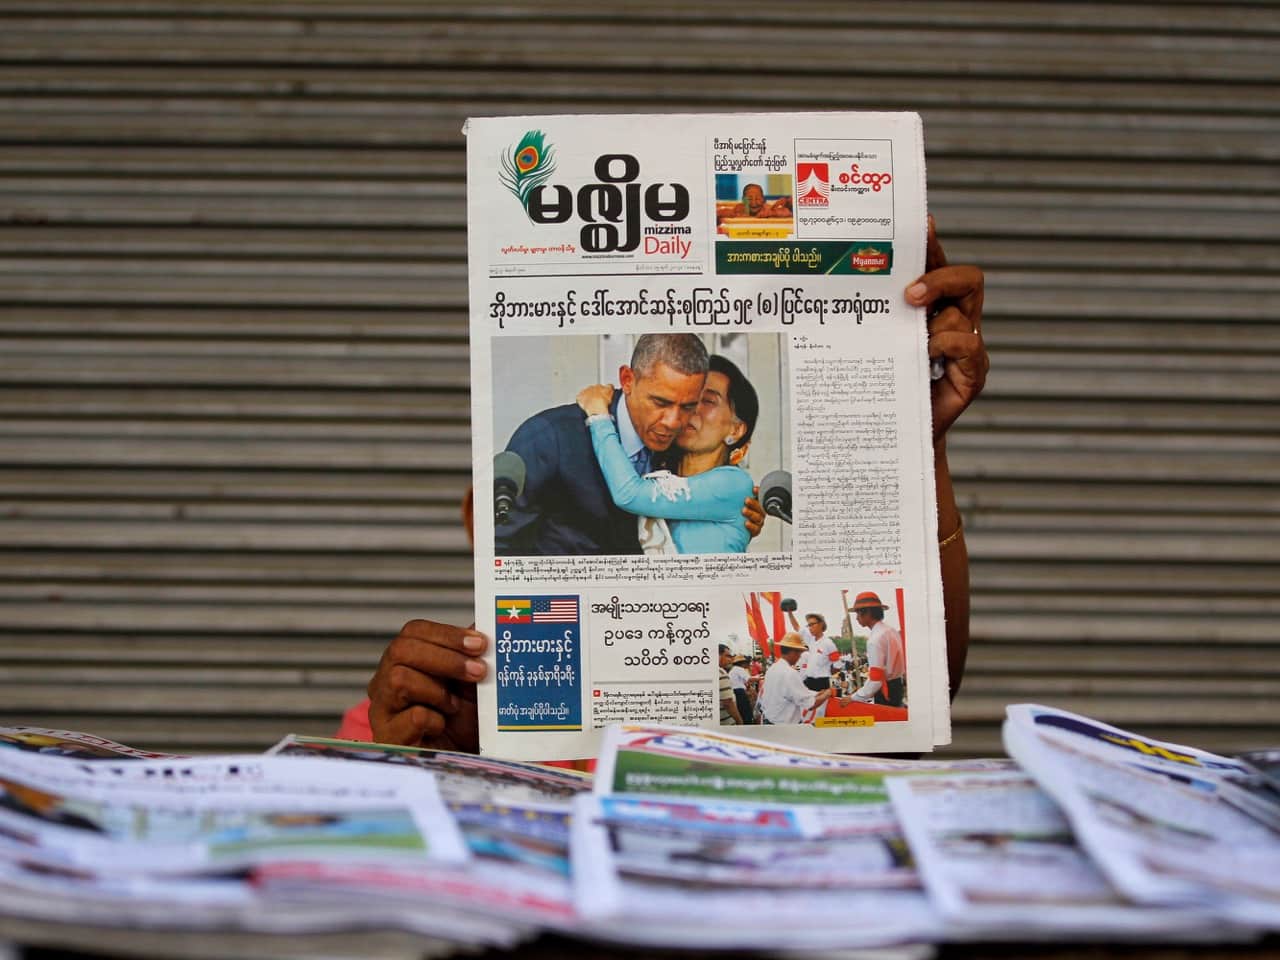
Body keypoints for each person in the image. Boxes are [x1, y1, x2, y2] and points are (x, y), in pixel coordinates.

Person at [358, 216, 986, 750]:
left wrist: (913, 445)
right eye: (673, 401)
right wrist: (442, 749)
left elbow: (924, 697)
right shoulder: (598, 462)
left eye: (701, 403)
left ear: (736, 430)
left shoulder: (721, 493)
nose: (678, 418)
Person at [496, 333, 710, 556]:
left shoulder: (688, 447)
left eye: (687, 407)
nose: (673, 422)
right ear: (627, 380)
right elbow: (500, 548)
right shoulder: (549, 437)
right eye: (660, 402)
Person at [575, 354, 759, 554]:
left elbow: (629, 495)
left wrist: (598, 416)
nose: (693, 409)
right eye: (691, 400)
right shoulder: (655, 468)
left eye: (708, 401)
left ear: (736, 430)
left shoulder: (734, 483)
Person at [757, 632, 833, 725]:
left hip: (770, 722)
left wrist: (817, 694)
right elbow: (810, 704)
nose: (799, 657)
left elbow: (789, 693)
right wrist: (828, 693)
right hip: (784, 728)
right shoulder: (790, 673)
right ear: (793, 652)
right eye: (799, 653)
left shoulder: (772, 669)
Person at [849, 592, 906, 708]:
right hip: (897, 685)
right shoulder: (891, 631)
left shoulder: (875, 639)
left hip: (886, 691)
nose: (856, 618)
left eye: (858, 613)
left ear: (868, 613)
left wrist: (853, 697)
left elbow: (876, 680)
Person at [787, 610, 840, 693]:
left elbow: (837, 665)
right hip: (809, 681)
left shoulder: (829, 643)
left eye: (812, 624)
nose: (810, 627)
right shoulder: (811, 639)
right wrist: (789, 613)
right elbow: (797, 627)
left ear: (821, 624)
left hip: (822, 683)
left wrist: (825, 673)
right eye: (808, 625)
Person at [718, 645, 743, 725]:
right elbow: (728, 703)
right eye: (727, 656)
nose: (730, 660)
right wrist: (739, 721)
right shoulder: (721, 672)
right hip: (726, 724)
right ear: (718, 656)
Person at [729, 654, 754, 725]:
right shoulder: (740, 669)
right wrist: (761, 678)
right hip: (739, 692)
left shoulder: (734, 669)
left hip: (734, 692)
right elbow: (750, 679)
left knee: (740, 711)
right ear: (743, 663)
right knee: (746, 713)